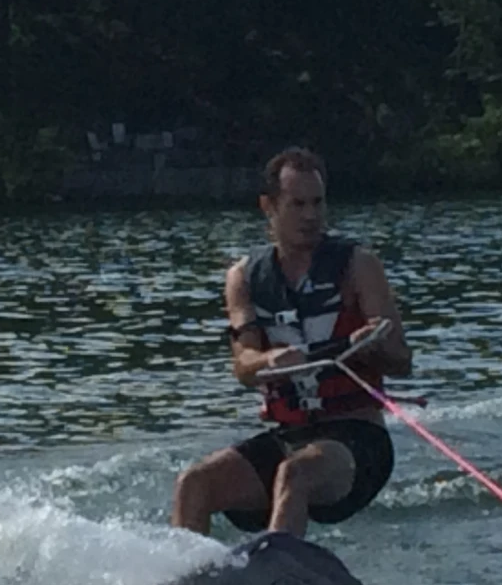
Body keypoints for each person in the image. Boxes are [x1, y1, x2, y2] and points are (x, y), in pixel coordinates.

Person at [172, 148, 412, 539]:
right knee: (195, 483)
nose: (310, 215)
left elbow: (402, 360)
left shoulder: (358, 266)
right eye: (297, 204)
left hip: (356, 441)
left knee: (293, 474)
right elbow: (244, 366)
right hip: (291, 435)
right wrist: (269, 359)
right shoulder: (244, 278)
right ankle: (182, 584)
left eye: (317, 203)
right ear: (269, 206)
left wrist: (374, 344)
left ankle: (279, 578)